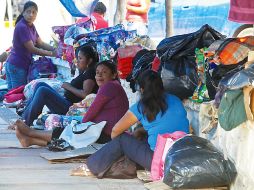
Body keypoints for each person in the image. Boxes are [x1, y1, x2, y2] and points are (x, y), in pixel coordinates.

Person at [79, 69, 189, 176]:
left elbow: (115, 132)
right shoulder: (176, 100)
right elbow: (164, 126)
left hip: (160, 161)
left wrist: (129, 141)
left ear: (141, 89)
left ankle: (90, 167)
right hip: (182, 156)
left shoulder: (141, 106)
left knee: (122, 139)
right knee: (141, 135)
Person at [15, 60, 129, 147]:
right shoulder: (113, 86)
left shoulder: (110, 87)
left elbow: (91, 112)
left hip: (107, 135)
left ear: (114, 75)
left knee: (70, 132)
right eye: (97, 72)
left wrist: (79, 126)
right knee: (71, 134)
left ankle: (30, 132)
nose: (99, 75)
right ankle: (30, 140)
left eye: (104, 72)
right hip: (106, 132)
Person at [21, 45, 99, 127]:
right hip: (67, 102)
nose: (77, 61)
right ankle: (24, 117)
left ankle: (25, 122)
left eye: (80, 58)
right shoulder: (85, 71)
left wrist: (68, 87)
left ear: (89, 61)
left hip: (70, 108)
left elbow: (85, 94)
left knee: (42, 91)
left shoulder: (90, 73)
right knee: (39, 85)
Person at [5, 1, 56, 90]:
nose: (31, 15)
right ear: (23, 13)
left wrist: (56, 49)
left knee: (12, 96)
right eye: (28, 12)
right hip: (17, 66)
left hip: (15, 65)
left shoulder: (31, 26)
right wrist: (52, 53)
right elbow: (32, 49)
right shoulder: (22, 27)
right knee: (18, 96)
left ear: (37, 14)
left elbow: (41, 43)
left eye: (34, 12)